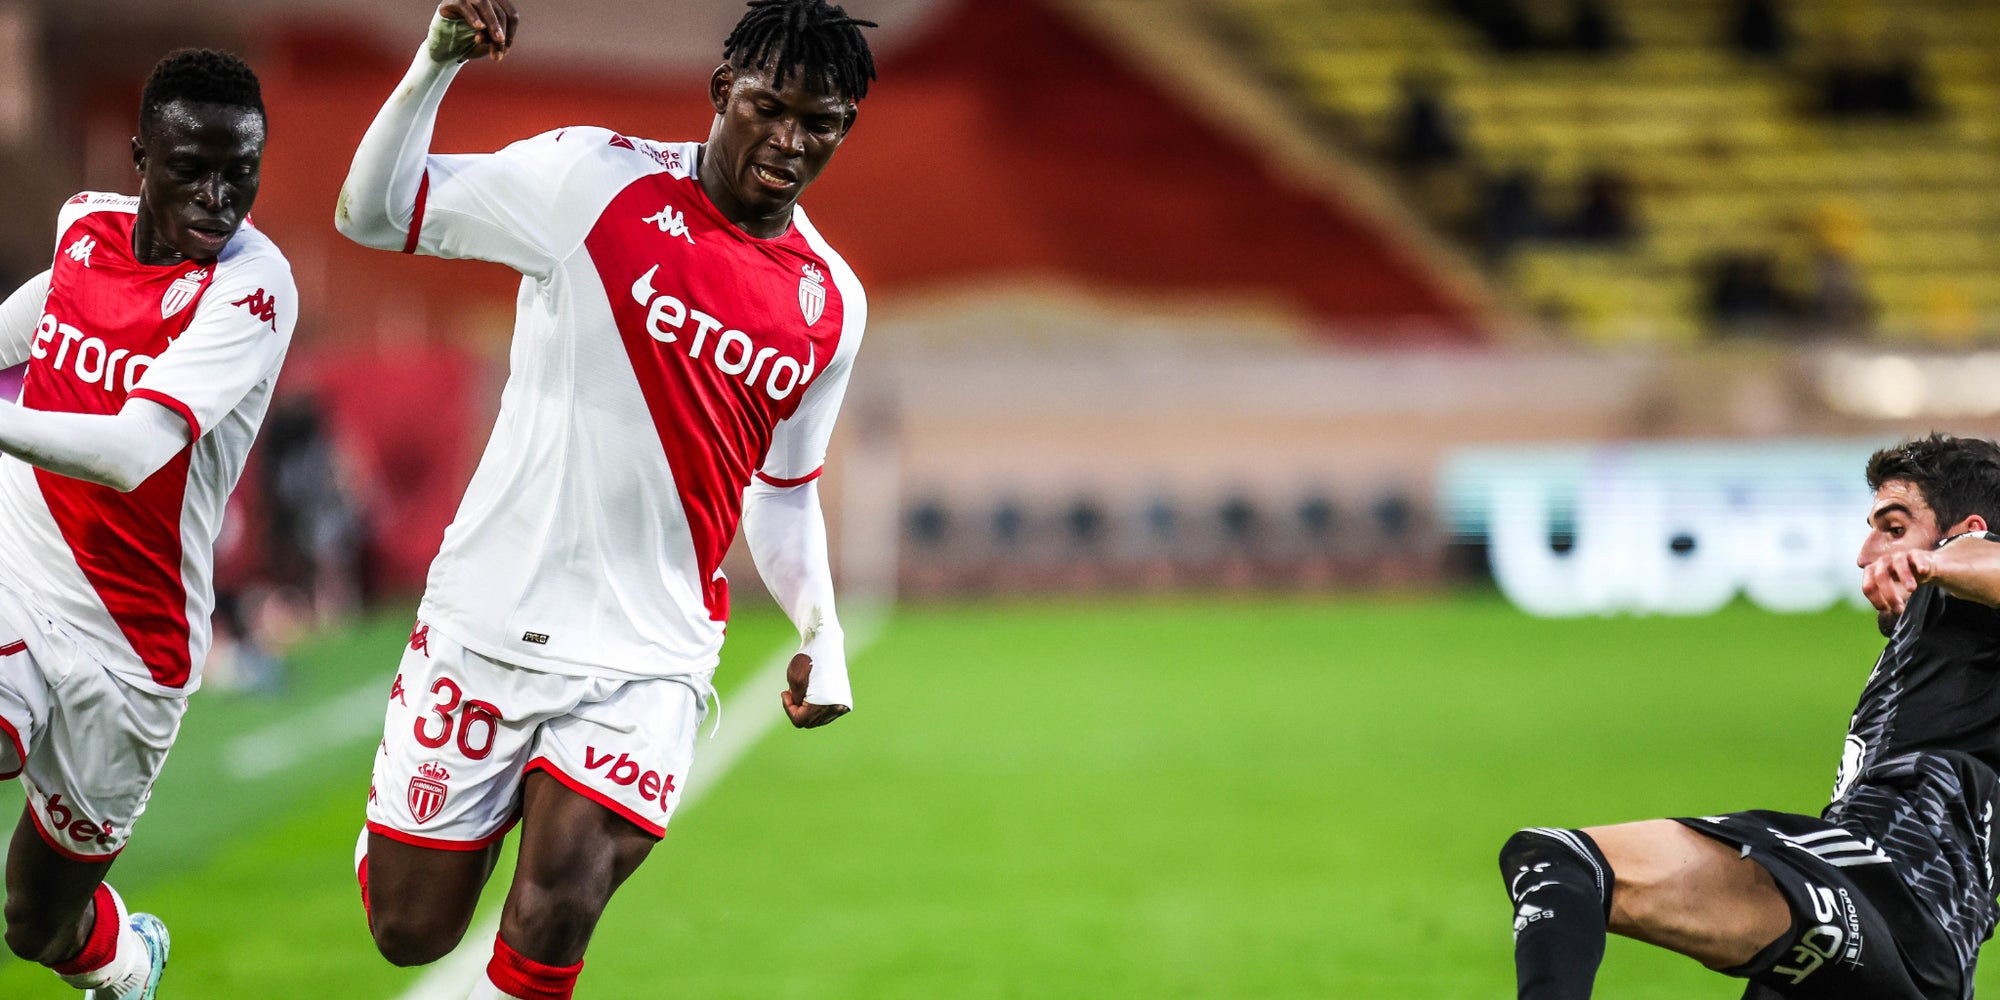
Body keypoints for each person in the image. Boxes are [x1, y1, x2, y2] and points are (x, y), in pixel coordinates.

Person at [334, 2, 873, 997]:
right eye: (769, 106)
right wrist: (437, 59)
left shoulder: (829, 303)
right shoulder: (590, 178)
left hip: (646, 657)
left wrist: (820, 627)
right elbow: (371, 211)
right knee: (409, 930)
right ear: (721, 96)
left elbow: (786, 490)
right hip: (488, 619)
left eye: (822, 122)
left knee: (554, 907)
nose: (791, 140)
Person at [1499, 433, 2000, 999]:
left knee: (1560, 861)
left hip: (1892, 882)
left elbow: (1987, 557)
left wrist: (1933, 560)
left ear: (1967, 529)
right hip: (1912, 935)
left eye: (1893, 527)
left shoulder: (1965, 583)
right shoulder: (1945, 654)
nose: (1866, 553)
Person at [0, 49, 293, 999]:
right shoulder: (85, 229)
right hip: (22, 566)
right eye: (189, 169)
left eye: (238, 172)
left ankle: (128, 963)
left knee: (37, 923)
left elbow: (132, 453)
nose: (217, 197)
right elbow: (27, 328)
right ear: (139, 156)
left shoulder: (253, 289)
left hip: (134, 645)